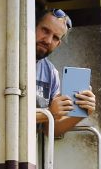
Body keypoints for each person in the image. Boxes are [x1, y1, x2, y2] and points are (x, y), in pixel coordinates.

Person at [33, 8, 96, 136]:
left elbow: (50, 130)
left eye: (55, 38)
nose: (48, 40)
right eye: (45, 30)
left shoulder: (51, 72)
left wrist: (83, 113)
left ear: (58, 44)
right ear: (32, 26)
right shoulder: (7, 58)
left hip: (32, 152)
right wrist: (49, 112)